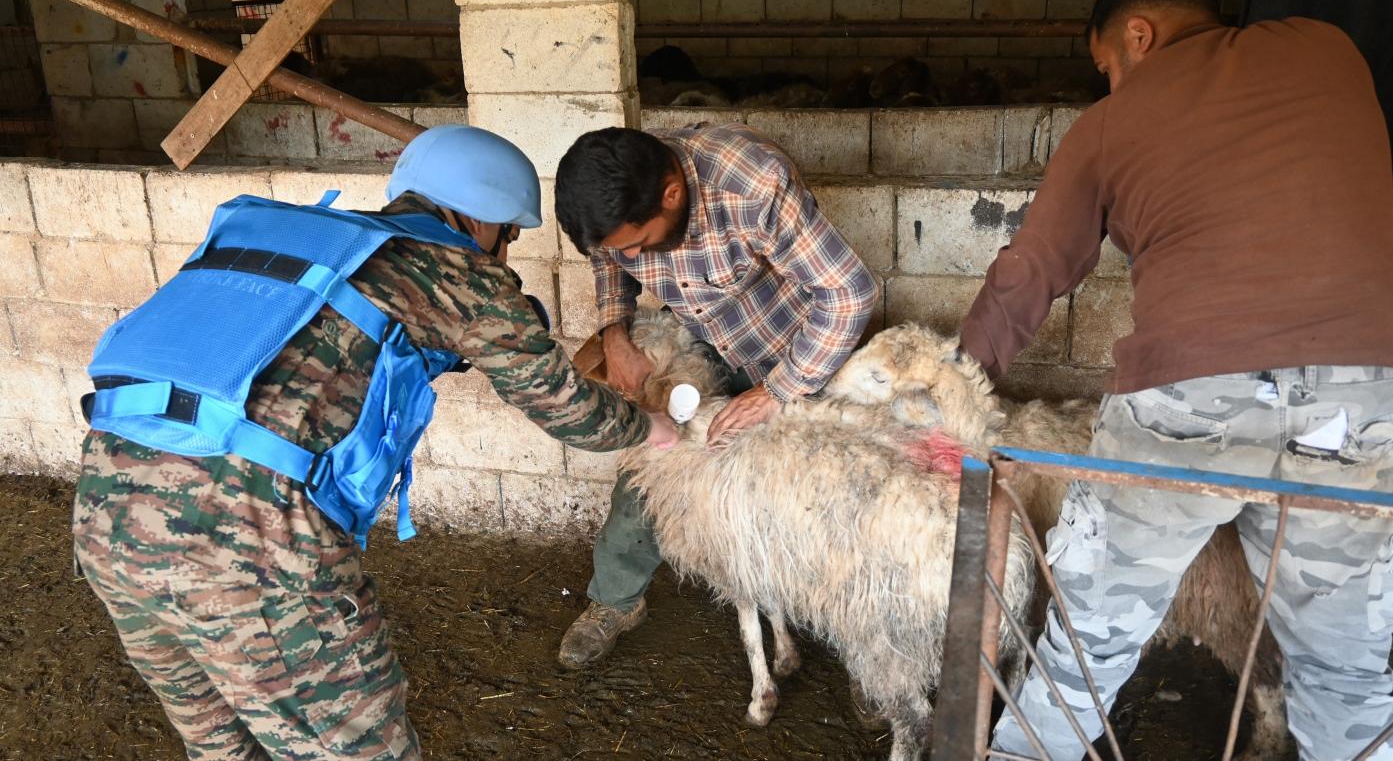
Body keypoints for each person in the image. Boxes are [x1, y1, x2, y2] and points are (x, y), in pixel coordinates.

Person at [73, 124, 679, 760]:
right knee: (358, 748)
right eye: (510, 237)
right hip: (246, 548)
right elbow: (570, 409)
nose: (503, 255)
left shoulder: (317, 241)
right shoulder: (459, 272)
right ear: (484, 220)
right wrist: (652, 427)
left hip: (106, 518)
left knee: (222, 746)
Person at [957, 0, 1393, 759]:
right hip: (1367, 405)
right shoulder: (1331, 49)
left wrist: (955, 387)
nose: (1111, 82)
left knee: (1084, 650)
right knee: (1344, 673)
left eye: (1106, 65)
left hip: (1190, 401)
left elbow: (1031, 272)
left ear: (1138, 36)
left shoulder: (1111, 122)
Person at [551, 123, 879, 669]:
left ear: (672, 194)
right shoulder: (618, 200)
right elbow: (607, 257)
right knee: (656, 464)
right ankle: (616, 598)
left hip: (800, 351)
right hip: (704, 347)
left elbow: (849, 293)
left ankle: (863, 647)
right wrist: (614, 329)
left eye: (637, 243)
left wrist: (777, 390)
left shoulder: (752, 183)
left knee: (827, 499)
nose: (629, 255)